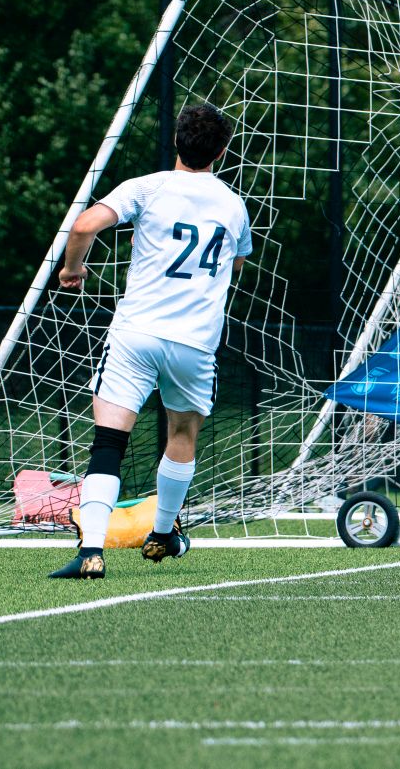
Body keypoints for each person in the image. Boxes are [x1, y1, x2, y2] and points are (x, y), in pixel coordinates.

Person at [49, 103, 251, 578]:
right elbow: (237, 262)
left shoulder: (147, 186)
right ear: (221, 152)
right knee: (181, 435)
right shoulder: (233, 205)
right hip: (195, 343)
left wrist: (73, 268)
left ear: (176, 141)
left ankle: (91, 551)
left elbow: (83, 225)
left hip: (136, 334)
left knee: (109, 440)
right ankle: (162, 533)